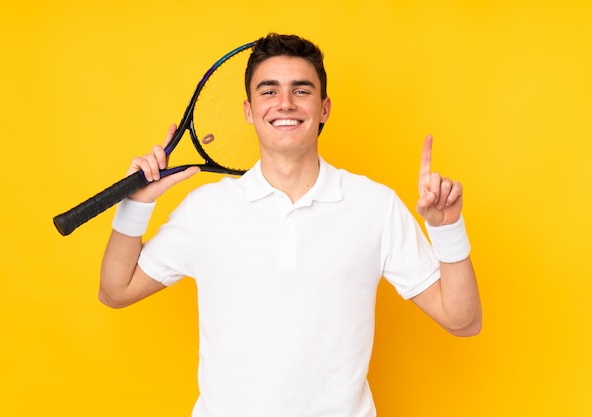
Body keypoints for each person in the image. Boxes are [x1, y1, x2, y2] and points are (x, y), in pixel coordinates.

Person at [99, 33, 481, 417]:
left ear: (325, 108)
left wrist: (447, 229)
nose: (285, 103)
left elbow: (463, 320)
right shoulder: (206, 209)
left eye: (301, 91)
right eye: (269, 92)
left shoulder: (375, 205)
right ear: (249, 110)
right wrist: (136, 203)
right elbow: (116, 290)